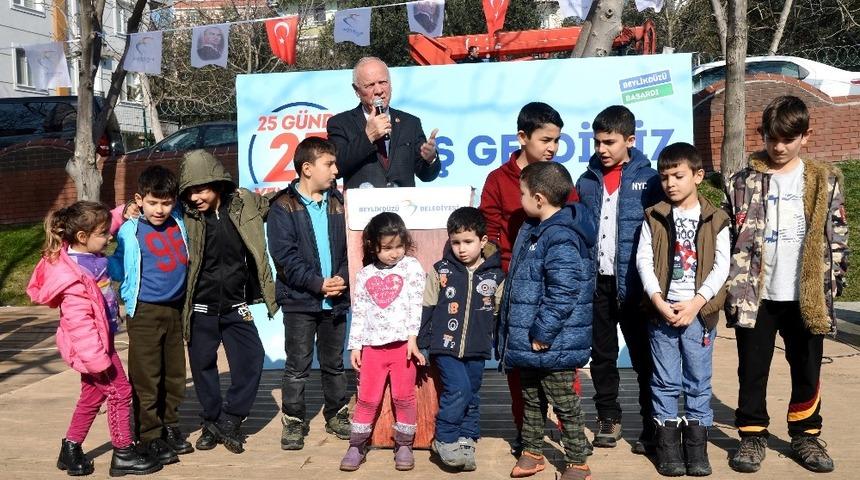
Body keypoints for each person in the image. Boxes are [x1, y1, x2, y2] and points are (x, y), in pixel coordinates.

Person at [724, 95, 847, 474]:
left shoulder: (824, 180)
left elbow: (838, 233)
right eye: (772, 138)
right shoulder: (741, 182)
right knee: (752, 367)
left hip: (806, 294)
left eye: (788, 139)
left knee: (807, 366)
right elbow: (729, 236)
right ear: (762, 134)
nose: (778, 147)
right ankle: (752, 434)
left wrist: (834, 282)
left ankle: (806, 434)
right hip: (755, 293)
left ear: (804, 137)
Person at [27, 201, 162, 477]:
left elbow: (102, 226)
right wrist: (97, 359)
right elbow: (79, 324)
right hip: (94, 348)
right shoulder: (73, 277)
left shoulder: (88, 249)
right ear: (82, 237)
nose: (109, 236)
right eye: (103, 233)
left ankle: (71, 447)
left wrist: (121, 213)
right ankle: (123, 452)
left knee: (91, 397)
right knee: (120, 392)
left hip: (103, 340)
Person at [479, 101, 581, 455]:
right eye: (545, 140)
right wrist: (502, 278)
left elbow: (575, 226)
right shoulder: (497, 180)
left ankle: (573, 434)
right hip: (514, 286)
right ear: (523, 137)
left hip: (553, 287)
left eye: (557, 140)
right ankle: (528, 433)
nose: (552, 148)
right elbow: (488, 236)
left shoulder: (557, 177)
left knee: (562, 363)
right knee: (519, 368)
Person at [636, 143, 730, 477]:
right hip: (662, 314)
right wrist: (659, 301)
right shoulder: (654, 216)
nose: (670, 183)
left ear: (698, 176)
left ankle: (696, 449)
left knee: (698, 382)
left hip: (698, 316)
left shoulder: (716, 218)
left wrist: (697, 303)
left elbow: (722, 267)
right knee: (664, 381)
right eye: (664, 177)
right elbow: (643, 260)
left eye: (678, 176)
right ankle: (668, 449)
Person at [498, 161, 596, 480]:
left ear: (539, 198)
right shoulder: (534, 229)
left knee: (564, 401)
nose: (520, 199)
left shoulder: (561, 235)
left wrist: (543, 331)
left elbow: (564, 289)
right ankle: (532, 451)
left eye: (523, 193)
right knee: (531, 398)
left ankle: (578, 459)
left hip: (552, 340)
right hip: (530, 341)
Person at [575, 105, 664, 453]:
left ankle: (650, 424)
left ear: (630, 140)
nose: (602, 149)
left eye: (609, 142)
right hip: (598, 284)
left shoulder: (652, 180)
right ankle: (608, 418)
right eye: (597, 142)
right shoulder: (586, 181)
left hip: (636, 286)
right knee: (602, 357)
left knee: (644, 359)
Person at [178, 149, 278, 455]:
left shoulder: (242, 202)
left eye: (202, 190)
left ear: (218, 184)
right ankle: (211, 420)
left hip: (236, 305)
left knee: (252, 357)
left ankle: (230, 419)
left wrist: (279, 195)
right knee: (203, 366)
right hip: (200, 308)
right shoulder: (186, 216)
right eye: (190, 192)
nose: (196, 198)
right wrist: (128, 210)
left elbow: (268, 204)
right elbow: (151, 210)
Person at [267, 137, 351, 450]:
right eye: (328, 164)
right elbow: (285, 259)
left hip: (336, 300)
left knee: (334, 363)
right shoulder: (282, 207)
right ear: (307, 168)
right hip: (300, 302)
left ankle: (337, 414)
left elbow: (350, 249)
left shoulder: (339, 202)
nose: (335, 170)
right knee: (297, 365)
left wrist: (341, 278)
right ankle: (293, 421)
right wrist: (317, 283)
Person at [109, 166, 193, 466]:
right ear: (140, 200)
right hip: (143, 311)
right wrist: (120, 292)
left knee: (174, 374)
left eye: (166, 202)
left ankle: (170, 425)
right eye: (153, 202)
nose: (160, 209)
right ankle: (149, 436)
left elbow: (188, 199)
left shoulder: (179, 222)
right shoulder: (129, 229)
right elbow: (112, 252)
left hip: (175, 309)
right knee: (147, 377)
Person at [417, 207, 504, 471]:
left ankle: (467, 438)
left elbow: (499, 315)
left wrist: (501, 346)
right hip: (444, 346)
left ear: (483, 241)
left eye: (468, 242)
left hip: (477, 348)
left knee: (473, 394)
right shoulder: (440, 270)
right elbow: (427, 307)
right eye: (455, 242)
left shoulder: (495, 275)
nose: (461, 248)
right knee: (458, 390)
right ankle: (444, 438)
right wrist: (422, 343)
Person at [339, 212, 427, 472]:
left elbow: (416, 305)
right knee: (367, 399)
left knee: (404, 397)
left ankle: (404, 445)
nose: (394, 253)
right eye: (387, 248)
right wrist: (355, 345)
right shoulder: (365, 275)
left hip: (403, 347)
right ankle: (356, 445)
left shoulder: (411, 266)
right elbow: (361, 313)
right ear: (373, 246)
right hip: (372, 349)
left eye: (399, 246)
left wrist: (413, 339)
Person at [326, 56, 441, 189]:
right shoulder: (341, 123)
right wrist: (368, 136)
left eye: (383, 82)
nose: (379, 91)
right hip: (362, 206)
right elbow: (336, 167)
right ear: (356, 90)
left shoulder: (410, 123)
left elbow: (426, 175)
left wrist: (430, 159)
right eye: (370, 85)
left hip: (403, 206)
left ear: (391, 84)